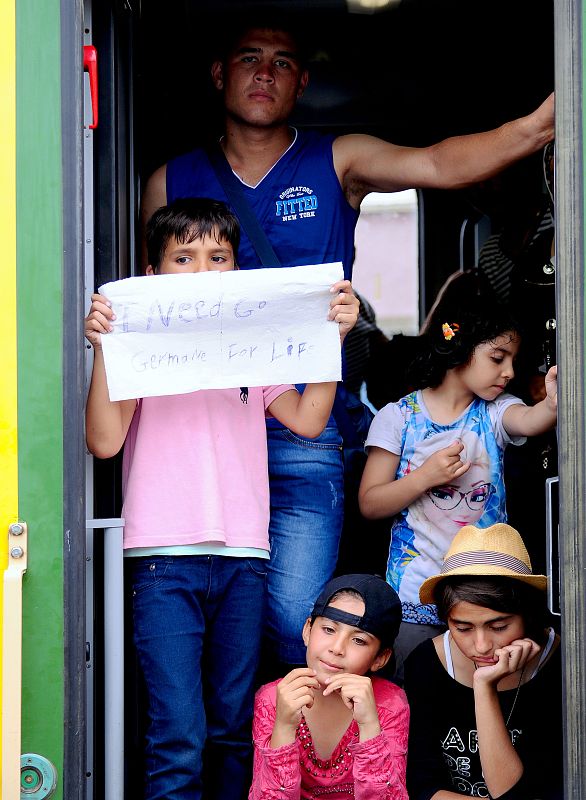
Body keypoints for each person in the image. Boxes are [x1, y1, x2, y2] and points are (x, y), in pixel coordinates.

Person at [140, 13, 555, 672]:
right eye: (250, 57)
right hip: (205, 443)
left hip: (308, 430)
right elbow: (147, 312)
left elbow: (437, 162)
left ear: (301, 81)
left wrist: (537, 128)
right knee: (206, 621)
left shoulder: (340, 160)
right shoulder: (168, 182)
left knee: (291, 621)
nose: (265, 72)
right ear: (219, 74)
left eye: (281, 61)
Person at [84, 197, 359, 800]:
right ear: (153, 278)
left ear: (237, 271)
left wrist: (328, 338)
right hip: (162, 560)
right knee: (177, 734)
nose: (204, 270)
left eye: (218, 257)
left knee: (232, 729)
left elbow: (311, 420)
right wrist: (108, 347)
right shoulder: (139, 346)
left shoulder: (253, 348)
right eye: (184, 258)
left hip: (245, 559)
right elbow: (104, 442)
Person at [358, 286, 558, 678]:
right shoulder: (397, 418)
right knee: (416, 692)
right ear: (459, 349)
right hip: (415, 594)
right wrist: (426, 477)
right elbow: (370, 502)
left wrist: (553, 403)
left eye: (513, 360)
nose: (509, 372)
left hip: (484, 598)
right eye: (497, 358)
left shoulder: (496, 413)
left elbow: (530, 421)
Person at [404, 522, 562, 799]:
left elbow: (517, 793)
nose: (481, 646)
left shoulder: (561, 665)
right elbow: (422, 786)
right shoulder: (426, 663)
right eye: (462, 628)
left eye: (499, 627)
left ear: (528, 614)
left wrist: (485, 687)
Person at [248, 574, 409, 799]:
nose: (337, 648)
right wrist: (284, 727)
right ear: (307, 630)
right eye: (328, 630)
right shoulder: (273, 699)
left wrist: (370, 726)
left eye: (359, 640)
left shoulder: (389, 705)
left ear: (380, 658)